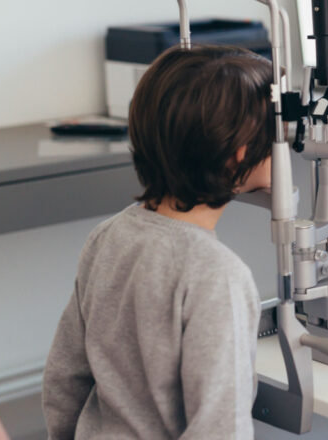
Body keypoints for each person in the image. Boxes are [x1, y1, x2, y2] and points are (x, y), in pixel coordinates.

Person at [43, 45, 274, 439]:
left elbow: (64, 379)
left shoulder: (107, 237)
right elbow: (220, 429)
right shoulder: (219, 277)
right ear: (239, 155)